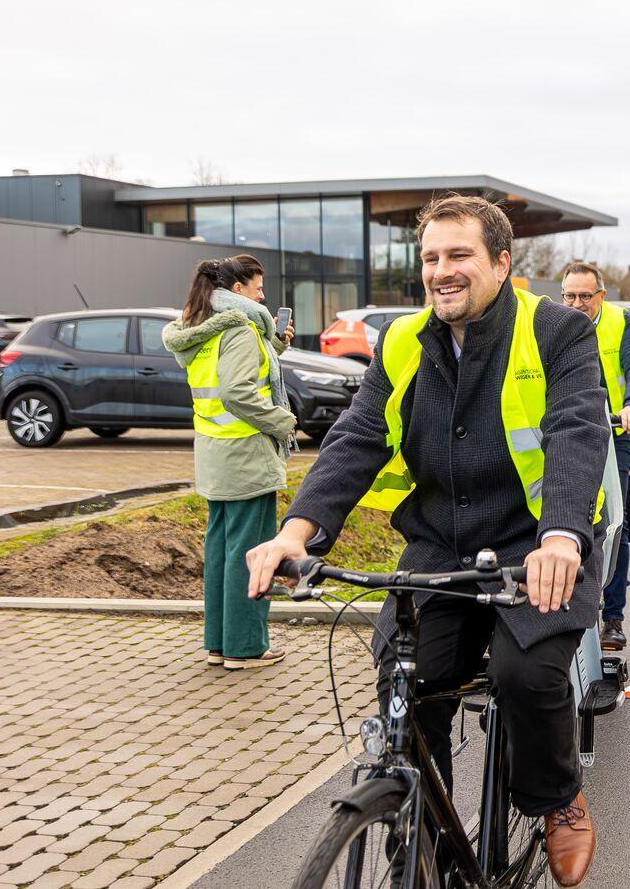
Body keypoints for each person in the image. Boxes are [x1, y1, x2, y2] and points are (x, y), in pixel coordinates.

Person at [244, 196, 610, 887]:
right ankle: (416, 832)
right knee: (405, 679)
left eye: (459, 255)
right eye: (430, 258)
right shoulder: (404, 342)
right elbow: (355, 437)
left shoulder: (558, 331)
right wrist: (293, 533)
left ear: (502, 263)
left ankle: (555, 796)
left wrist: (561, 536)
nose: (441, 271)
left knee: (524, 674)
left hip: (536, 549)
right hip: (440, 548)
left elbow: (575, 432)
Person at [162, 254, 297, 670]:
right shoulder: (239, 329)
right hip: (246, 456)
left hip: (215, 455)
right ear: (236, 291)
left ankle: (219, 643)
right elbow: (238, 392)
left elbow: (229, 373)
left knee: (222, 551)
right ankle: (246, 647)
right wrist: (283, 420)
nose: (263, 296)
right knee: (252, 553)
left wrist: (274, 345)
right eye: (258, 289)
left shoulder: (201, 327)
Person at [560, 260, 630, 653]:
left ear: (601, 295)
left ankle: (612, 617)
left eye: (586, 296)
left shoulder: (623, 322)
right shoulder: (549, 324)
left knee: (614, 523)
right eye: (570, 295)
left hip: (610, 432)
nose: (577, 303)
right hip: (561, 436)